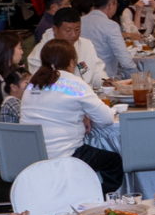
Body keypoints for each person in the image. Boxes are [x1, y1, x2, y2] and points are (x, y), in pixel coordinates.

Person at [20, 40, 123, 192]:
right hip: (65, 156)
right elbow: (106, 119)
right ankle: (94, 197)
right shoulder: (74, 84)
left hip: (32, 157)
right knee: (113, 162)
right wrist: (87, 114)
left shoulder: (32, 85)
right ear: (71, 62)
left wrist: (82, 115)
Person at [28, 8, 107, 86]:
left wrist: (104, 81)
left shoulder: (86, 44)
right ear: (55, 29)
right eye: (68, 30)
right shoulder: (41, 52)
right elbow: (41, 82)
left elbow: (97, 71)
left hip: (85, 91)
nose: (73, 35)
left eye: (77, 29)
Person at [82, 0, 137, 79]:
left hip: (83, 76)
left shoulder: (80, 21)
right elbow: (125, 59)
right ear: (110, 5)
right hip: (106, 78)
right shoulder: (110, 25)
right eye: (116, 4)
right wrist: (137, 77)